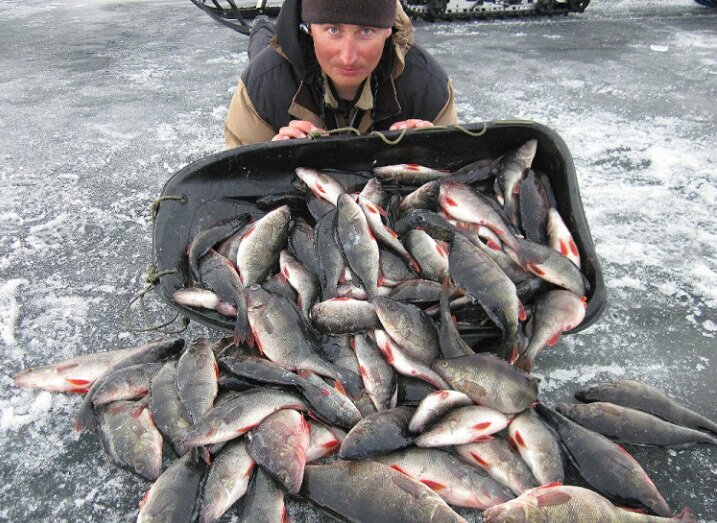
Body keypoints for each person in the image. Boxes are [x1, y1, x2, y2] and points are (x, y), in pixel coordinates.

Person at [224, 0, 459, 148]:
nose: (348, 57)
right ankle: (261, 24)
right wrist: (267, 160)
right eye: (333, 30)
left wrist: (435, 155)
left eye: (366, 31)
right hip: (274, 62)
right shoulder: (261, 87)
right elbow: (231, 186)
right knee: (262, 46)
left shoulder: (429, 87)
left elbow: (460, 185)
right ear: (310, 27)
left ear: (388, 29)